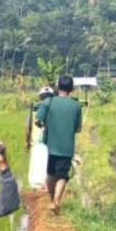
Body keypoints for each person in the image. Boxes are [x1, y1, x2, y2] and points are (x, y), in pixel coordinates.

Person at [35, 74, 83, 215]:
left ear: (58, 87)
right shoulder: (76, 106)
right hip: (66, 147)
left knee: (50, 174)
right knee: (62, 176)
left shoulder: (48, 102)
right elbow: (78, 129)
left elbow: (38, 121)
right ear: (71, 88)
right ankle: (56, 201)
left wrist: (47, 123)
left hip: (49, 146)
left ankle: (52, 201)